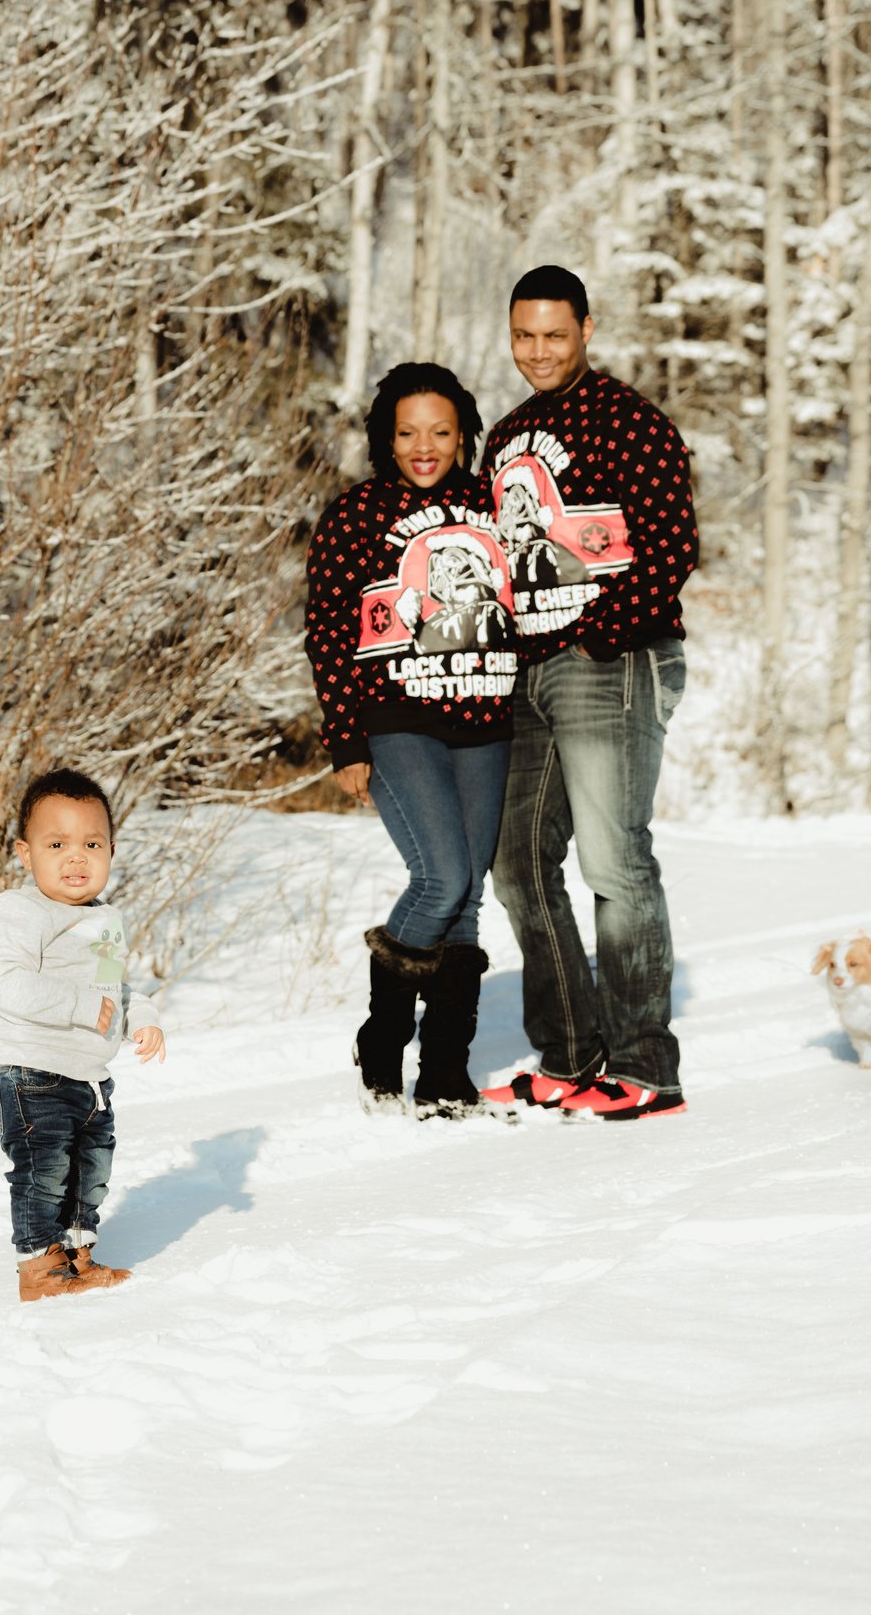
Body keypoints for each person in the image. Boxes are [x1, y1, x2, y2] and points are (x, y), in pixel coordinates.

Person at [476, 266, 699, 1120]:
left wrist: (597, 634)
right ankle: (572, 1054)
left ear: (587, 330)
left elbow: (671, 543)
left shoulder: (629, 421)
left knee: (614, 859)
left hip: (612, 659)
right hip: (529, 671)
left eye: (554, 335)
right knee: (520, 862)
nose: (537, 351)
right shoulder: (505, 437)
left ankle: (647, 1066)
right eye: (523, 335)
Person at [304, 362, 517, 1118]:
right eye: (406, 432)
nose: (423, 447)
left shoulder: (492, 506)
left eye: (439, 430)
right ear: (384, 437)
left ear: (464, 434)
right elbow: (328, 633)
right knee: (442, 876)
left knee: (468, 898)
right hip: (397, 718)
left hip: (488, 718)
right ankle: (384, 1038)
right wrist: (345, 741)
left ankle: (446, 1072)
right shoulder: (356, 514)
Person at [0, 768, 166, 1302]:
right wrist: (86, 1006)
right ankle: (40, 1269)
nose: (76, 857)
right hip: (32, 1070)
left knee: (89, 1173)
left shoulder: (106, 920)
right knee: (43, 1173)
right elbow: (5, 983)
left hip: (90, 1079)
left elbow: (115, 990)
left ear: (110, 848)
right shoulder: (17, 911)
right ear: (24, 852)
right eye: (56, 844)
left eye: (91, 843)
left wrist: (143, 1017)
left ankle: (77, 1257)